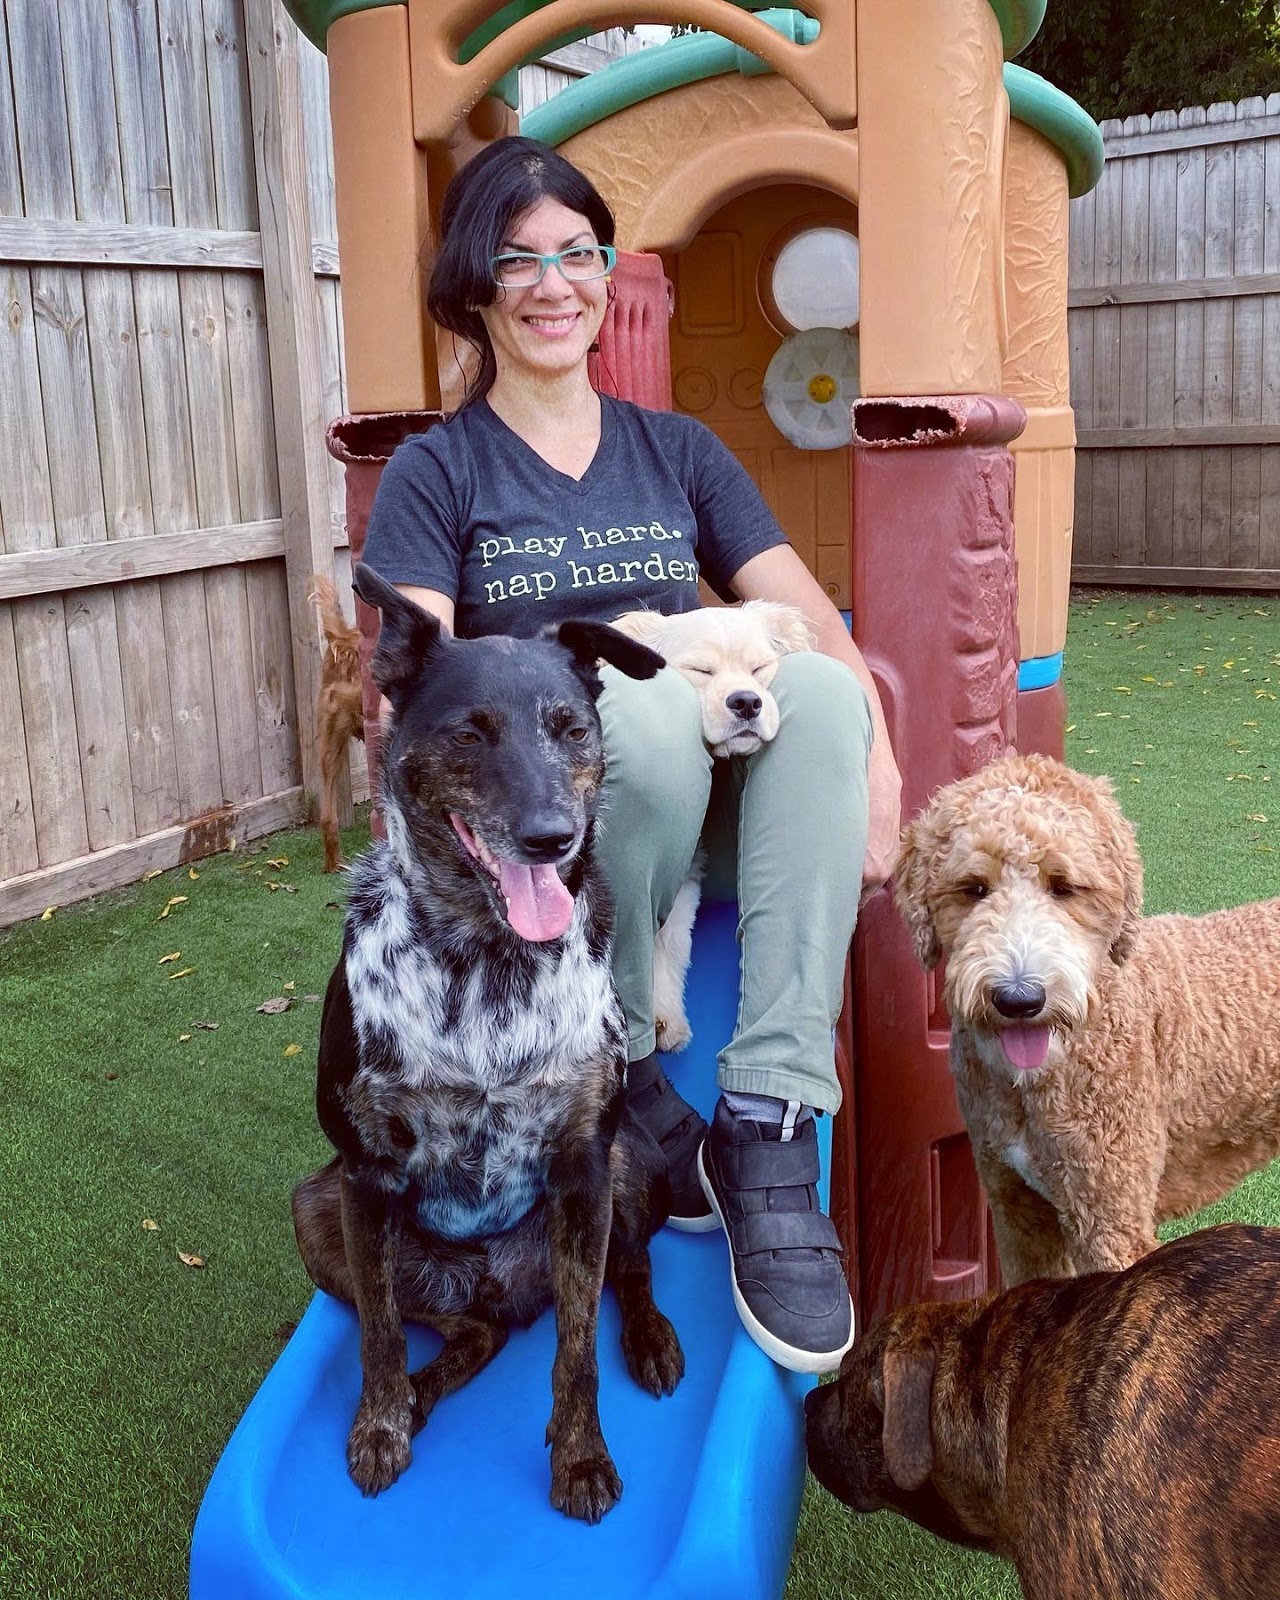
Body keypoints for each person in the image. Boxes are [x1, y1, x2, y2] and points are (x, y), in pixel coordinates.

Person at [361, 136, 902, 1375]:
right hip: (545, 836)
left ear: (608, 275)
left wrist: (875, 761)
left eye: (578, 255)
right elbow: (419, 681)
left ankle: (764, 1118)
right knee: (639, 706)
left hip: (703, 814)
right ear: (474, 285)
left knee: (817, 692)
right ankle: (614, 1049)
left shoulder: (677, 453)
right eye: (519, 259)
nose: (553, 285)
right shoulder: (439, 474)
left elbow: (808, 619)